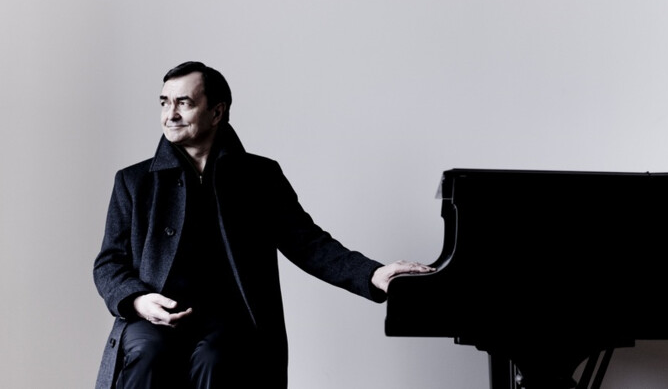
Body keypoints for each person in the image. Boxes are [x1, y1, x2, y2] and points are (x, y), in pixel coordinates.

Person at [93, 61, 435, 389]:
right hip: (153, 316)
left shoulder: (259, 177)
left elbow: (309, 244)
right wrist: (139, 301)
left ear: (217, 112)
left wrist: (373, 274)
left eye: (184, 102)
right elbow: (109, 263)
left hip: (228, 322)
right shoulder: (133, 181)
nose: (170, 114)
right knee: (147, 352)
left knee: (220, 359)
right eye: (164, 102)